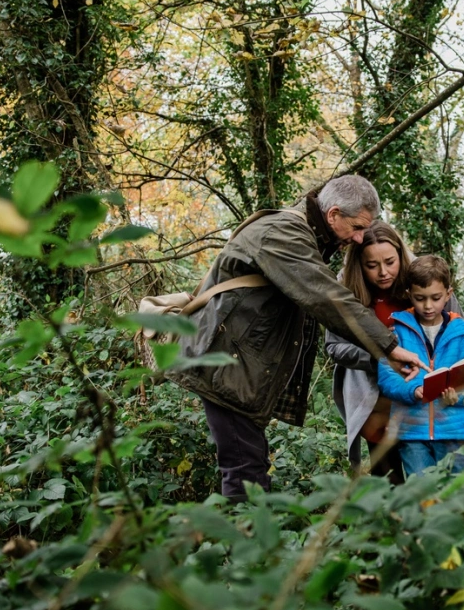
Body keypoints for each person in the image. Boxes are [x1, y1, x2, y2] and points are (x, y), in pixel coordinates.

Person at [169, 175, 427, 499]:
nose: (361, 238)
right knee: (244, 473)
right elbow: (325, 296)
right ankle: (245, 542)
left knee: (251, 463)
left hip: (238, 364)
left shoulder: (306, 234)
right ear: (333, 215)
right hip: (226, 366)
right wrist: (387, 346)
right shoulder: (284, 233)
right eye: (357, 227)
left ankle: (250, 539)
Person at [325, 223, 462, 483]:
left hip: (425, 407)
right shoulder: (346, 289)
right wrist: (380, 359)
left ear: (400, 254)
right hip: (375, 407)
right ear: (358, 264)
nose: (383, 272)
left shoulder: (424, 280)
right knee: (387, 484)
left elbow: (456, 333)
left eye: (390, 261)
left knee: (434, 481)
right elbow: (334, 346)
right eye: (371, 265)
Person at [377, 255, 464, 477]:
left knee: (453, 496)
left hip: (453, 431)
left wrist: (458, 396)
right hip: (412, 431)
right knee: (421, 495)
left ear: (448, 294)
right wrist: (413, 390)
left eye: (435, 298)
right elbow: (386, 377)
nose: (428, 305)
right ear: (409, 295)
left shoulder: (463, 334)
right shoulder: (397, 332)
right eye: (420, 298)